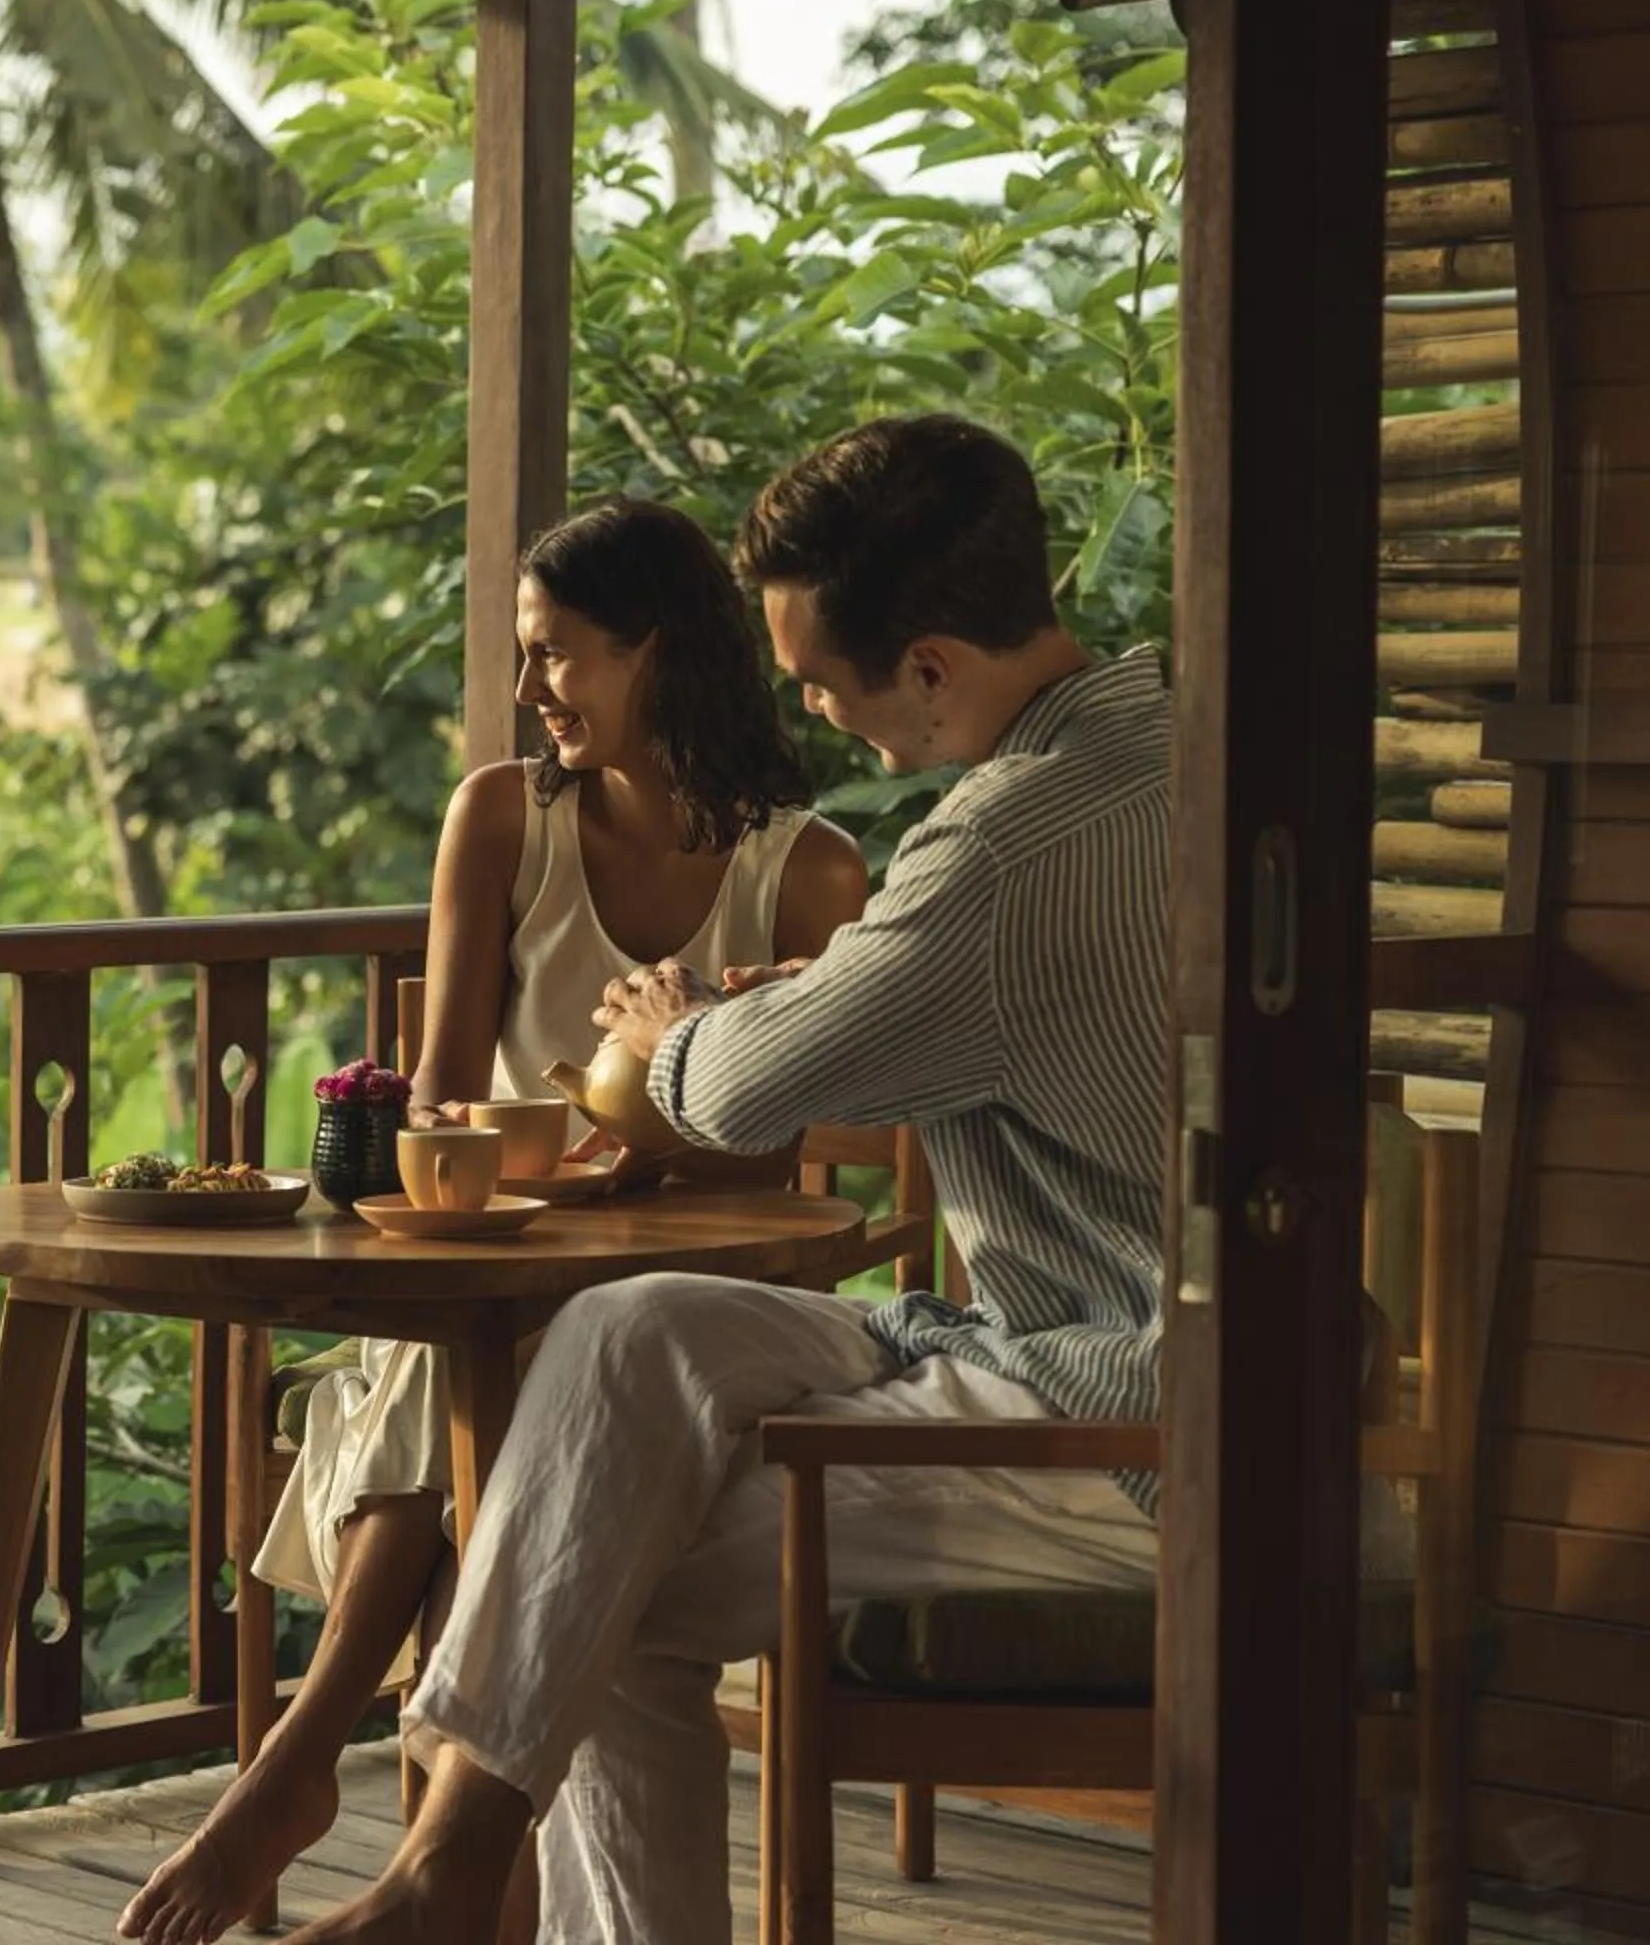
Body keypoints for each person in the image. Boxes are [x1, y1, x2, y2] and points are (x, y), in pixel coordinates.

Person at [278, 414, 1182, 1945]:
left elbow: (742, 1089)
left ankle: (442, 1868)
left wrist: (687, 1022)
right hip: (1045, 1349)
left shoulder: (1003, 845)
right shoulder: (1162, 727)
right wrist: (784, 1012)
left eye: (828, 684)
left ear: (936, 667)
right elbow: (901, 1015)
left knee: (601, 1552)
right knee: (632, 1335)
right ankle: (444, 1861)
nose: (829, 721)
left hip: (1137, 1418)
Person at [120, 497, 870, 1945]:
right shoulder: (503, 821)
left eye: (558, 656)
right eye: (526, 661)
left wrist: (649, 1162)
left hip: (682, 1327)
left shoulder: (811, 874)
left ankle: (299, 1765)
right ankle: (371, 1815)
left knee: (521, 1383)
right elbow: (442, 1103)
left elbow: (784, 1148)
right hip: (494, 1275)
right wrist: (519, 1169)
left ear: (654, 651)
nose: (530, 693)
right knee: (465, 1365)